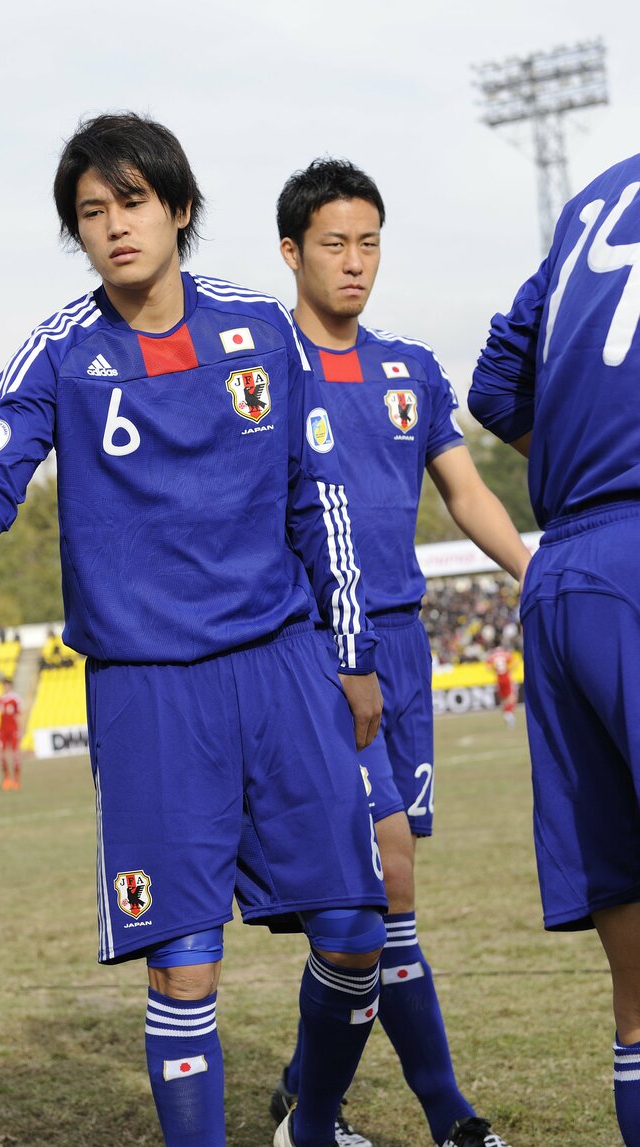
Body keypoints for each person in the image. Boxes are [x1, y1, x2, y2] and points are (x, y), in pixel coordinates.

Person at [0, 112, 392, 1147]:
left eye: (132, 202)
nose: (114, 225)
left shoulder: (260, 330)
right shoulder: (66, 350)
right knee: (182, 959)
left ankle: (311, 1120)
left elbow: (324, 501)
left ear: (177, 209)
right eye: (91, 211)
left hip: (279, 664)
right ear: (77, 233)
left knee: (357, 933)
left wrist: (351, 655)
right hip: (147, 687)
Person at [273, 158, 530, 1147]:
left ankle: (309, 1079)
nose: (353, 262)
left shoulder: (408, 368)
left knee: (387, 894)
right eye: (332, 243)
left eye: (368, 242)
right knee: (386, 877)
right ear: (291, 251)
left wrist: (530, 570)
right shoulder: (262, 370)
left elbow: (464, 489)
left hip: (404, 645)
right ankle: (445, 1115)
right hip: (315, 651)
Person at [469, 153, 640, 1147]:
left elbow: (497, 383)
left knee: (633, 989)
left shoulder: (592, 199)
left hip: (565, 569)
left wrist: (587, 459)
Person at [0, 676, 23, 789]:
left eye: (6, 685)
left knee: (15, 755)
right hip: (2, 730)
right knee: (2, 756)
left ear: (10, 686)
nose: (4, 687)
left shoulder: (15, 699)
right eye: (3, 685)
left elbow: (19, 715)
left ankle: (16, 779)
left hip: (13, 729)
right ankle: (6, 779)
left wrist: (20, 729)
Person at [485, 646, 517, 728]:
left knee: (503, 698)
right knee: (512, 697)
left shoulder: (492, 656)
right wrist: (509, 669)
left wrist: (495, 670)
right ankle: (509, 713)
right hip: (506, 676)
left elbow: (487, 667)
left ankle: (506, 713)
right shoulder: (506, 654)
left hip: (499, 678)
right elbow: (515, 663)